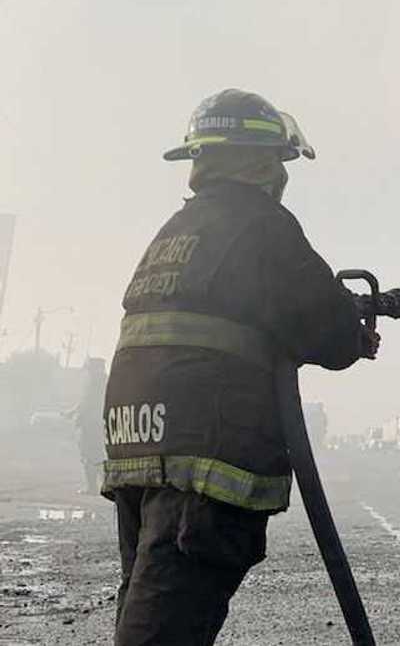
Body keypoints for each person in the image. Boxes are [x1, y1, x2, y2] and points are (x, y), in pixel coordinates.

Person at [102, 89, 379, 645]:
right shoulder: (262, 224)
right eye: (278, 161)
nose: (281, 174)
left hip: (140, 447)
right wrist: (354, 321)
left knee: (146, 618)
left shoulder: (178, 231)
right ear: (258, 161)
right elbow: (327, 333)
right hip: (204, 461)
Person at [68, 357, 108, 493]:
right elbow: (84, 402)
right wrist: (72, 411)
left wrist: (77, 416)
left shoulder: (95, 382)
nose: (88, 372)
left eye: (90, 369)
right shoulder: (103, 381)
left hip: (91, 425)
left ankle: (92, 487)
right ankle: (104, 485)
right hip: (97, 424)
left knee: (89, 455)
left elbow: (88, 403)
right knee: (96, 455)